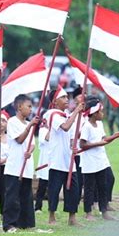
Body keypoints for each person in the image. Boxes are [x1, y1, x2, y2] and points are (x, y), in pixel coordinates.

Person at [46, 86, 84, 226]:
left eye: (67, 97)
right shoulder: (53, 115)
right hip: (57, 159)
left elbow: (72, 134)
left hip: (69, 159)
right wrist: (76, 112)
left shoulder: (67, 115)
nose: (67, 99)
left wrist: (74, 144)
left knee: (73, 189)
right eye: (63, 97)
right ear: (55, 101)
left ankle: (72, 218)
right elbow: (66, 127)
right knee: (54, 189)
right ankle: (51, 217)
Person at [2, 94, 38, 233]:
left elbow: (32, 143)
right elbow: (19, 140)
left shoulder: (27, 123)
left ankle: (25, 222)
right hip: (15, 165)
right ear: (19, 107)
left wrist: (30, 151)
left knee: (26, 195)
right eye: (28, 106)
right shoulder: (12, 122)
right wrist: (30, 125)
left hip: (26, 165)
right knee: (12, 196)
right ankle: (9, 224)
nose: (30, 109)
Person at [79, 97, 116, 221]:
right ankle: (88, 213)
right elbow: (82, 145)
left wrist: (114, 137)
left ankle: (104, 211)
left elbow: (104, 139)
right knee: (89, 188)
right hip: (89, 162)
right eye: (101, 111)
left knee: (103, 186)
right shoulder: (86, 126)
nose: (103, 114)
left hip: (101, 160)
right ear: (94, 113)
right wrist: (97, 144)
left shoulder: (99, 124)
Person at [34, 116, 51, 213]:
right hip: (45, 160)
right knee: (42, 185)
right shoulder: (43, 129)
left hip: (54, 160)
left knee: (53, 186)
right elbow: (46, 139)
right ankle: (38, 207)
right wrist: (50, 128)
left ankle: (51, 207)